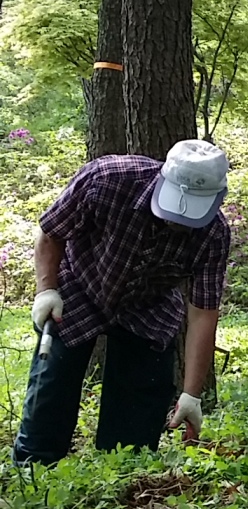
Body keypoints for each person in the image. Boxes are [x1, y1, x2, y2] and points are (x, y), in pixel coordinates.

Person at [15, 140, 232, 465]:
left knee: (135, 434)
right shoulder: (107, 179)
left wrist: (191, 393)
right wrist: (46, 289)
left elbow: (202, 313)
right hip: (81, 282)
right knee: (51, 390)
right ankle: (34, 474)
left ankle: (120, 480)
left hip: (150, 306)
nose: (178, 221)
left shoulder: (214, 235)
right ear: (162, 179)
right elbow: (51, 232)